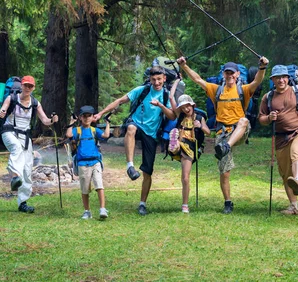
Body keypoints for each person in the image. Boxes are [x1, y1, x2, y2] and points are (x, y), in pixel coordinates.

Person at [177, 56, 269, 214]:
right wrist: (184, 66)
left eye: (232, 73)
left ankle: (226, 146)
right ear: (223, 75)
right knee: (224, 172)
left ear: (237, 74)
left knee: (243, 121)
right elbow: (197, 79)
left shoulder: (244, 90)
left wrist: (262, 68)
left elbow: (257, 82)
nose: (229, 76)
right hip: (222, 132)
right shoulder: (216, 90)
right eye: (227, 73)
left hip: (240, 131)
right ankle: (228, 202)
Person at [95, 66, 176, 215]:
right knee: (131, 128)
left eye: (159, 79)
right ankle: (130, 166)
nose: (156, 82)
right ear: (150, 80)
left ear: (164, 78)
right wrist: (101, 113)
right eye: (153, 80)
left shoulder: (166, 95)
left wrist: (160, 105)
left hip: (151, 134)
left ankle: (142, 203)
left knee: (148, 172)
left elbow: (172, 116)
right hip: (137, 124)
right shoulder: (142, 90)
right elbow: (120, 101)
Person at [258, 65, 298, 215]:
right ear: (272, 80)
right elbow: (261, 119)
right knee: (285, 172)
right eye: (278, 77)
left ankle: (297, 180)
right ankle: (293, 207)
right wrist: (269, 118)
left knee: (297, 153)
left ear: (288, 78)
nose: (281, 80)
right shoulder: (268, 97)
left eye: (284, 77)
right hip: (280, 137)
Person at [0, 75, 59, 213]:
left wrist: (52, 120)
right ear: (21, 86)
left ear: (33, 88)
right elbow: (2, 110)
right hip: (9, 132)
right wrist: (1, 113)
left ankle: (22, 202)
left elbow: (45, 120)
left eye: (30, 86)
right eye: (25, 85)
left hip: (25, 136)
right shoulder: (11, 98)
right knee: (16, 149)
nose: (27, 88)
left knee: (27, 169)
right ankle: (14, 177)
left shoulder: (35, 103)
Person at [167, 80, 211, 213]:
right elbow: (171, 96)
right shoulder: (180, 115)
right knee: (176, 137)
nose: (186, 109)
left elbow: (208, 132)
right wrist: (176, 81)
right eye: (183, 107)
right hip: (181, 142)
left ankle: (185, 205)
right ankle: (174, 144)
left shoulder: (199, 117)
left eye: (188, 106)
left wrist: (200, 126)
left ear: (192, 105)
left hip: (192, 147)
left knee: (185, 177)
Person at [66, 105, 111, 220]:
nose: (86, 118)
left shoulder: (94, 130)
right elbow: (69, 135)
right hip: (82, 163)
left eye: (89, 116)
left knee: (99, 185)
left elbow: (106, 135)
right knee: (85, 189)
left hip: (95, 161)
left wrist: (107, 123)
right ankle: (87, 211)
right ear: (80, 118)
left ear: (92, 117)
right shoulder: (78, 130)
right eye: (84, 116)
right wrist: (71, 123)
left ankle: (102, 209)